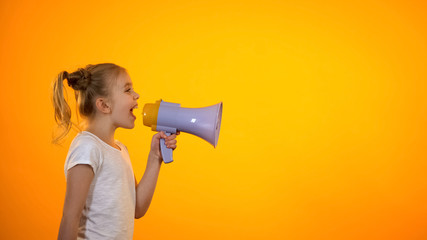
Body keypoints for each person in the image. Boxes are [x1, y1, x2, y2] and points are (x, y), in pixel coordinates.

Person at [52, 63, 179, 240]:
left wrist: (155, 157)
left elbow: (138, 208)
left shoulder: (120, 149)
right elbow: (70, 218)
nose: (137, 95)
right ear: (104, 105)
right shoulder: (88, 147)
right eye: (128, 90)